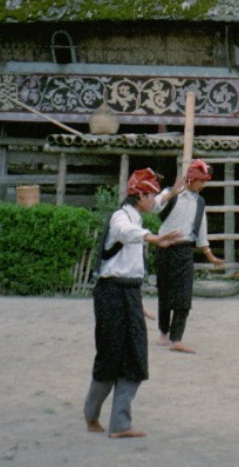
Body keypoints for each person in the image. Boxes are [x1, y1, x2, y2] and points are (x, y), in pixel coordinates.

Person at [83, 168, 182, 438]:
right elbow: (126, 233)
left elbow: (159, 201)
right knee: (110, 355)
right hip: (110, 293)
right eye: (149, 195)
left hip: (129, 292)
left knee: (136, 357)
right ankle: (91, 414)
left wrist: (171, 192)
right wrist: (154, 238)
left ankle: (120, 424)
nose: (153, 201)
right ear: (139, 196)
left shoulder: (137, 214)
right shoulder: (121, 218)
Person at [154, 158, 224, 353]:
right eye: (201, 181)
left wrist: (209, 255)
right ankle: (163, 332)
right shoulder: (172, 193)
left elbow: (201, 230)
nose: (203, 185)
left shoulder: (200, 202)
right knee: (165, 293)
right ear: (192, 180)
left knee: (184, 295)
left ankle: (177, 338)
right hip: (165, 248)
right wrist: (171, 194)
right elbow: (154, 206)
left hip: (184, 250)